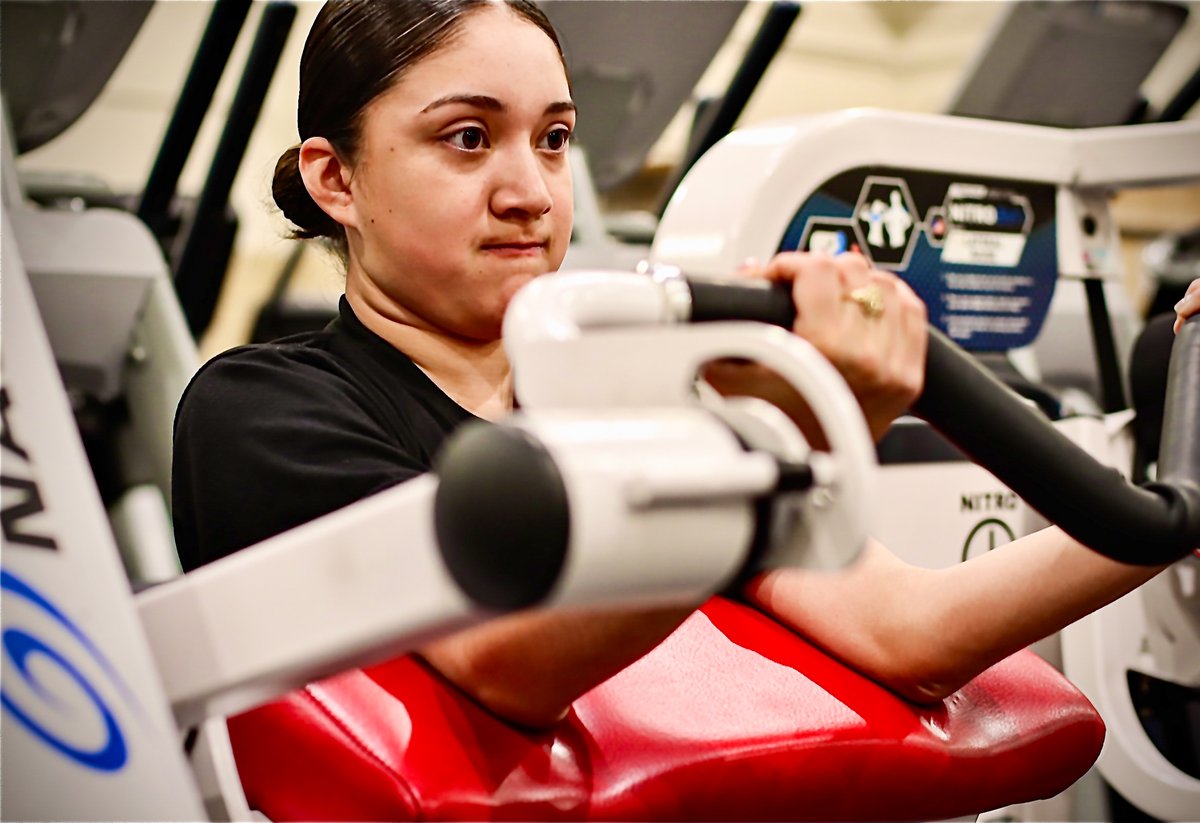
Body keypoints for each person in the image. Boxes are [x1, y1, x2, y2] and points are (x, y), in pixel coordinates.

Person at [173, 0, 1198, 730]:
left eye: (555, 137)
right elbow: (503, 669)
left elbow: (909, 630)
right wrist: (770, 439)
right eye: (470, 137)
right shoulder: (264, 409)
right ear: (336, 177)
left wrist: (1174, 507)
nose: (531, 189)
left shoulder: (630, 412)